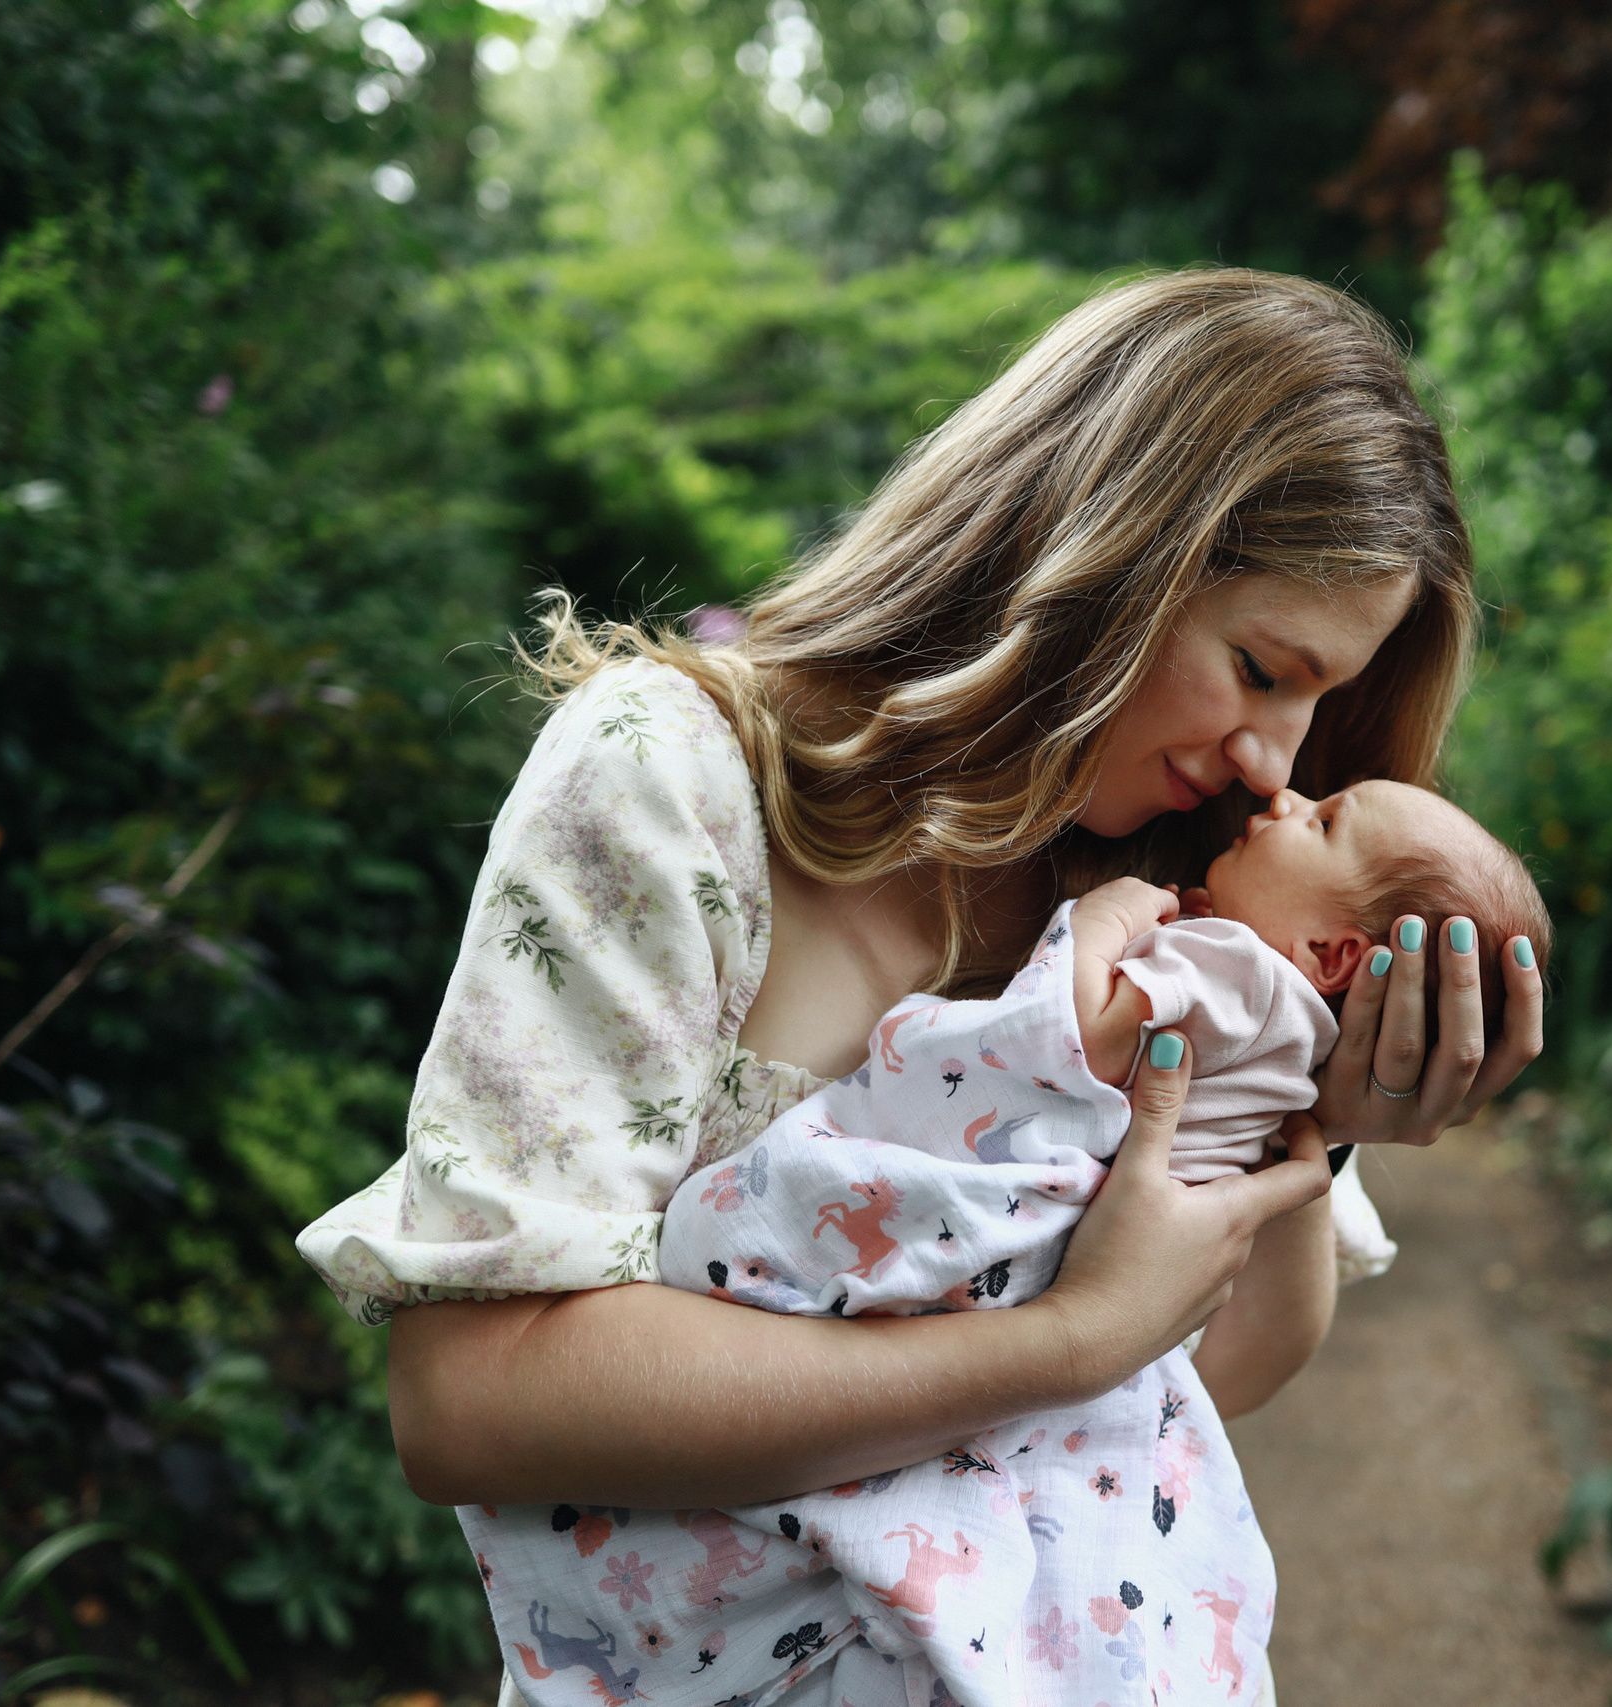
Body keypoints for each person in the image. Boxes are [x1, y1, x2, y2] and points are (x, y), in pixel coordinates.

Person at [295, 269, 1545, 1705]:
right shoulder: (678, 783)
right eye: (1260, 669)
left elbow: (1230, 1370)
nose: (1278, 758)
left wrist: (1321, 1127)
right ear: (1100, 554)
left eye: (1320, 706)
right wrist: (1064, 1341)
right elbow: (472, 1401)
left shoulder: (1187, 907)